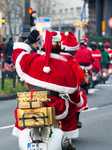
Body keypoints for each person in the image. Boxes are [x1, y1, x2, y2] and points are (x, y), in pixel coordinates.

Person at [12, 30, 85, 150]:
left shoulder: (33, 59)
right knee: (71, 108)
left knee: (21, 107)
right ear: (60, 48)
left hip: (30, 101)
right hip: (54, 105)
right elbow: (74, 93)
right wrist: (78, 102)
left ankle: (23, 133)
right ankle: (66, 138)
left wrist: (28, 42)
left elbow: (18, 55)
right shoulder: (65, 66)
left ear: (44, 47)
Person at [60, 31, 88, 128]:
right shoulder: (73, 62)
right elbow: (81, 78)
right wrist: (83, 83)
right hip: (68, 90)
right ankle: (76, 119)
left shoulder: (52, 59)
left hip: (52, 90)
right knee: (80, 96)